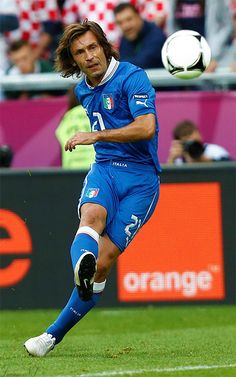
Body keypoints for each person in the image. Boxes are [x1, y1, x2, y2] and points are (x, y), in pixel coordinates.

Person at [24, 20, 161, 357]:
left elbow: (146, 128)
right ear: (74, 60)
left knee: (103, 263)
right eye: (79, 53)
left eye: (92, 48)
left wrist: (95, 136)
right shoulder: (83, 89)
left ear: (104, 46)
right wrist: (99, 143)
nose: (88, 56)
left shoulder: (133, 77)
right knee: (92, 216)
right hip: (105, 170)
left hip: (142, 180)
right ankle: (79, 269)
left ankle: (54, 332)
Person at [166, 0, 233, 72]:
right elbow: (172, 28)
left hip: (213, 57)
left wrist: (210, 54)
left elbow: (227, 26)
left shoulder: (216, 2)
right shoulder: (173, 2)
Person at [114, 2, 166, 69]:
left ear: (139, 17)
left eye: (129, 19)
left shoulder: (156, 36)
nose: (125, 26)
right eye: (120, 23)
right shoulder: (126, 38)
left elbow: (142, 64)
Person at [55, 86, 95, 169]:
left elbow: (60, 138)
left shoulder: (66, 117)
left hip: (71, 169)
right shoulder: (95, 112)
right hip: (95, 168)